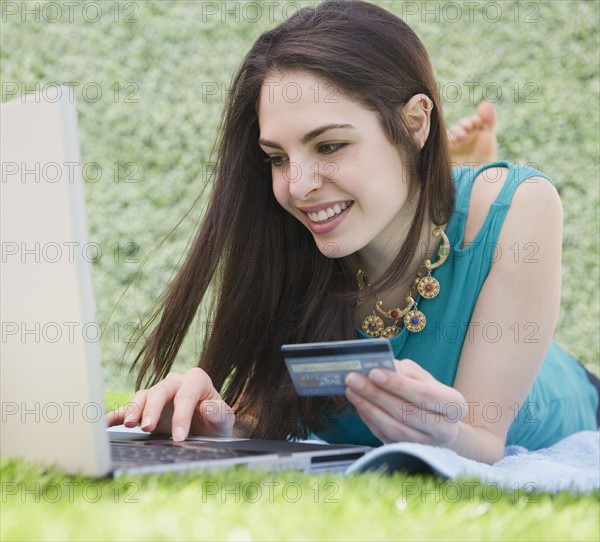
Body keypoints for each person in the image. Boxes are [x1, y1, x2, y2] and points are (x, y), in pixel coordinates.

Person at [107, 0, 599, 464]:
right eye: (277, 158)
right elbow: (266, 413)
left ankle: (455, 185)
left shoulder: (524, 204)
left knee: (476, 218)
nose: (297, 188)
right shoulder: (291, 243)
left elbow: (483, 442)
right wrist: (216, 421)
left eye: (329, 146)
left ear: (413, 122)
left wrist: (446, 434)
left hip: (574, 400)